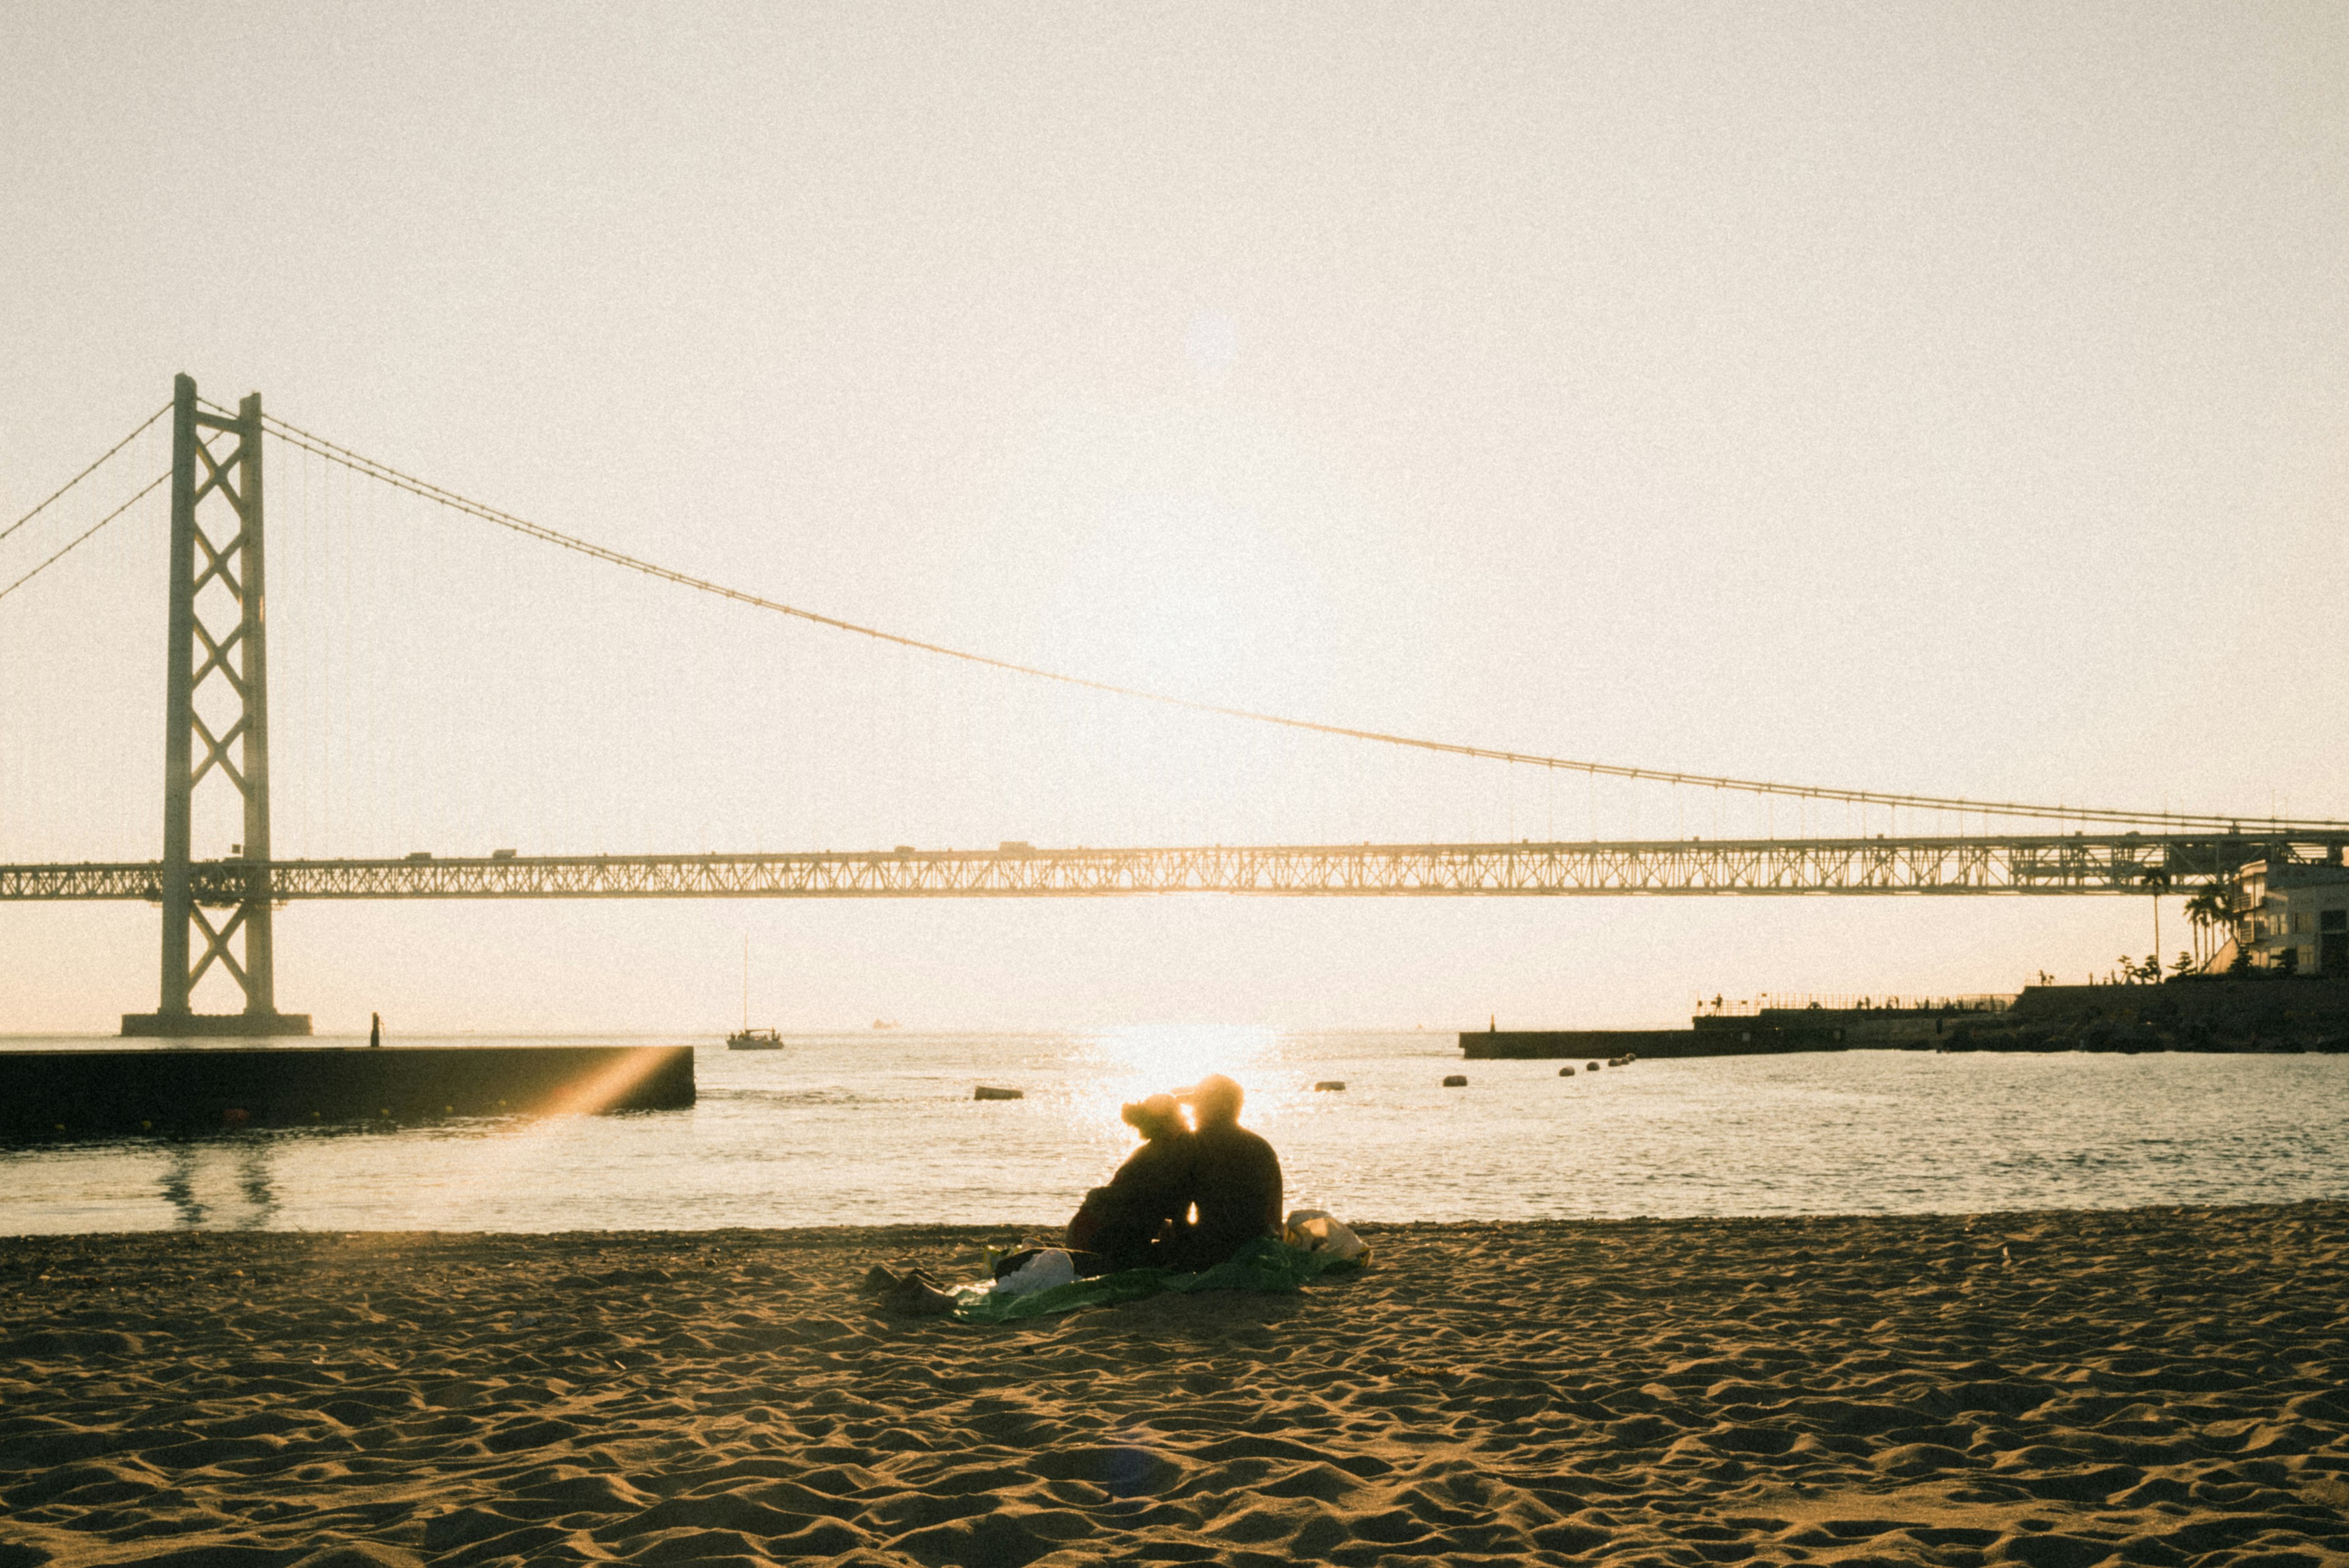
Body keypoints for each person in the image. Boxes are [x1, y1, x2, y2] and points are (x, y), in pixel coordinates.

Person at [1065, 1094, 1194, 1272]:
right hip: (1098, 1235)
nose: (1186, 1119)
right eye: (1180, 1115)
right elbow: (1169, 1207)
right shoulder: (1167, 1154)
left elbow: (1155, 1205)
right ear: (1167, 1122)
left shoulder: (1156, 1151)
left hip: (1094, 1229)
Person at [1175, 1074, 1282, 1269]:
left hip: (1212, 1249)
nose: (1194, 1112)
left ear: (1209, 1108)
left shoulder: (1192, 1146)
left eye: (1198, 1105)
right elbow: (1275, 1214)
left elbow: (1179, 1212)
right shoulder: (1261, 1146)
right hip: (1258, 1246)